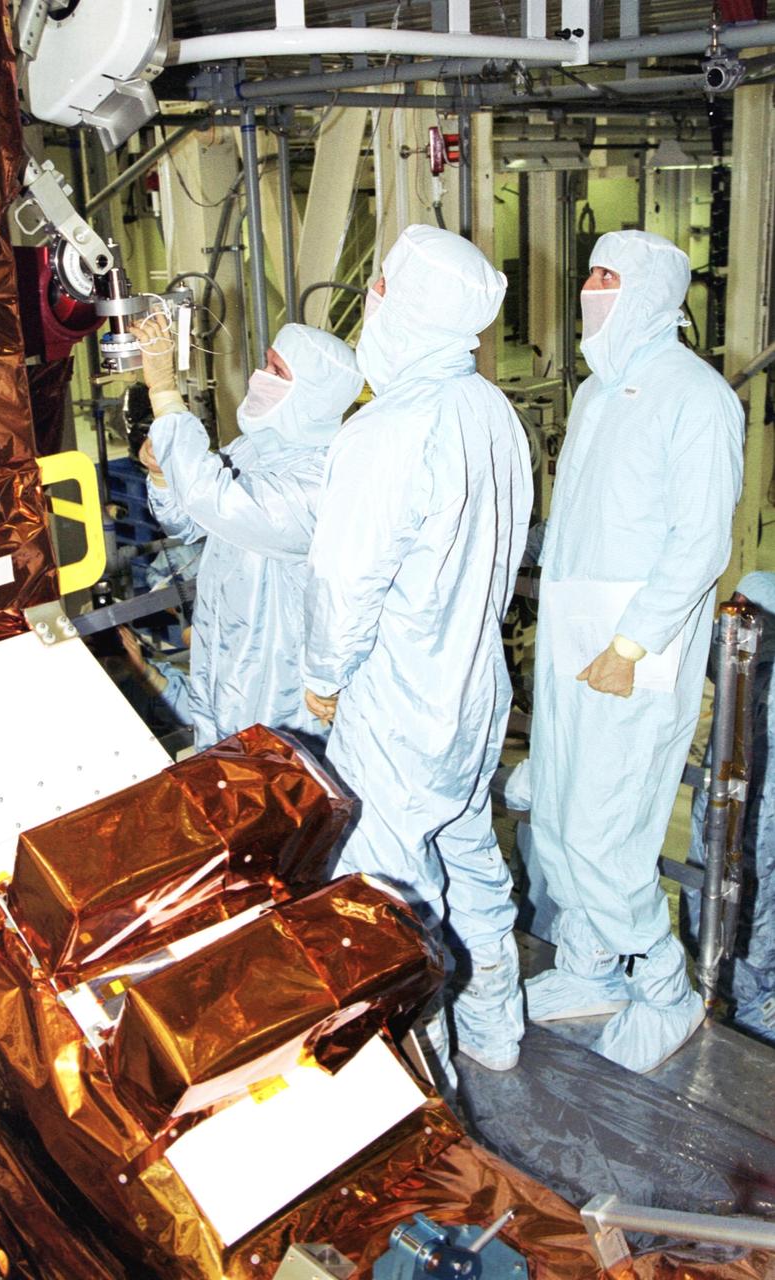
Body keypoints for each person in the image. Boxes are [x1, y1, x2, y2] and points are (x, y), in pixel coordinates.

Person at [303, 224, 533, 1093]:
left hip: (399, 699)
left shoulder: (386, 431)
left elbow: (343, 582)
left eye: (382, 289)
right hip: (474, 691)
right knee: (471, 858)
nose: (373, 304)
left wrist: (322, 682)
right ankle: (495, 1028)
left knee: (390, 891)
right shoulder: (491, 411)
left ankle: (416, 1073)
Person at [524, 230, 745, 1074]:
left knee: (601, 829)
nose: (591, 288)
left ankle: (662, 986)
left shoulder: (695, 396)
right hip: (574, 637)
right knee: (556, 808)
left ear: (652, 290)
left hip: (631, 651)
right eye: (589, 273)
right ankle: (587, 966)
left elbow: (698, 545)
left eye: (610, 277)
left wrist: (630, 643)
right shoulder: (596, 394)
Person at [131, 314, 364, 750]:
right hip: (222, 661)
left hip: (279, 683)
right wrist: (163, 474)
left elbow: (215, 499)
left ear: (313, 395)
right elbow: (186, 522)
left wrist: (164, 393)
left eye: (277, 372)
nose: (261, 377)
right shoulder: (254, 449)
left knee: (278, 796)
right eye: (266, 364)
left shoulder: (321, 480)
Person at [681, 571, 775, 1046]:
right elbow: (726, 655)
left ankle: (750, 1007)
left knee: (755, 895)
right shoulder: (759, 588)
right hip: (736, 766)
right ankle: (720, 996)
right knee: (715, 875)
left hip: (756, 780)